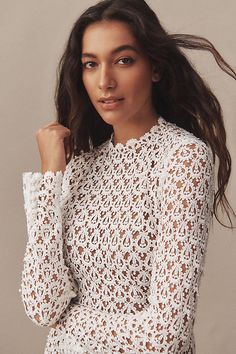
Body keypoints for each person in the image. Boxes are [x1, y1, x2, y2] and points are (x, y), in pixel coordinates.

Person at [19, 0, 236, 353]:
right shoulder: (79, 167)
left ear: (155, 68)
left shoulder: (181, 158)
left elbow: (165, 336)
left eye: (123, 60)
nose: (105, 81)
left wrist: (68, 319)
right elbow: (42, 307)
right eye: (91, 64)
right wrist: (50, 176)